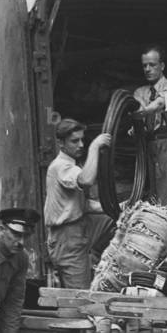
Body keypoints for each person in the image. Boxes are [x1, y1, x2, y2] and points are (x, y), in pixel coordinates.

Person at [45, 119, 113, 289]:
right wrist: (94, 147)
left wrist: (120, 206)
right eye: (75, 141)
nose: (81, 145)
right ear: (61, 143)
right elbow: (86, 180)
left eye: (82, 140)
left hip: (81, 227)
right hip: (67, 237)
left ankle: (96, 258)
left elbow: (83, 205)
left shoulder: (71, 165)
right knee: (80, 295)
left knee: (117, 219)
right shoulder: (61, 166)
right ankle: (88, 263)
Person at [133, 45, 167, 204]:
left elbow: (159, 104)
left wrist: (142, 112)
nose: (147, 69)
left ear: (162, 66)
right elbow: (138, 111)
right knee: (154, 194)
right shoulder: (140, 92)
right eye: (144, 65)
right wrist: (136, 126)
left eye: (152, 65)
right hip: (151, 144)